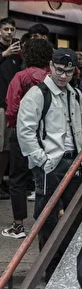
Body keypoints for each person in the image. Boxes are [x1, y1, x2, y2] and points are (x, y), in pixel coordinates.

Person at [16, 49, 82, 275]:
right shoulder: (37, 94)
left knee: (78, 215)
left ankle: (71, 267)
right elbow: (25, 132)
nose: (63, 75)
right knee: (47, 219)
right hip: (50, 165)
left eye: (68, 71)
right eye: (59, 70)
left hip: (75, 162)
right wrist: (42, 161)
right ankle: (50, 269)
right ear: (51, 66)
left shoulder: (75, 95)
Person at [2, 39, 53, 239]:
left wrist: (15, 126)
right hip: (49, 135)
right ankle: (47, 222)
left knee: (18, 179)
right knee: (46, 177)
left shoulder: (20, 77)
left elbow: (12, 107)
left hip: (23, 133)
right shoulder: (53, 78)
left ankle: (18, 225)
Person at [0, 17, 21, 201]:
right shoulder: (5, 51)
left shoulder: (17, 52)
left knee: (7, 147)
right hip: (0, 105)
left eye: (12, 29)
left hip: (12, 105)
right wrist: (5, 53)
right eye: (6, 29)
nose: (9, 32)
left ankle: (1, 182)